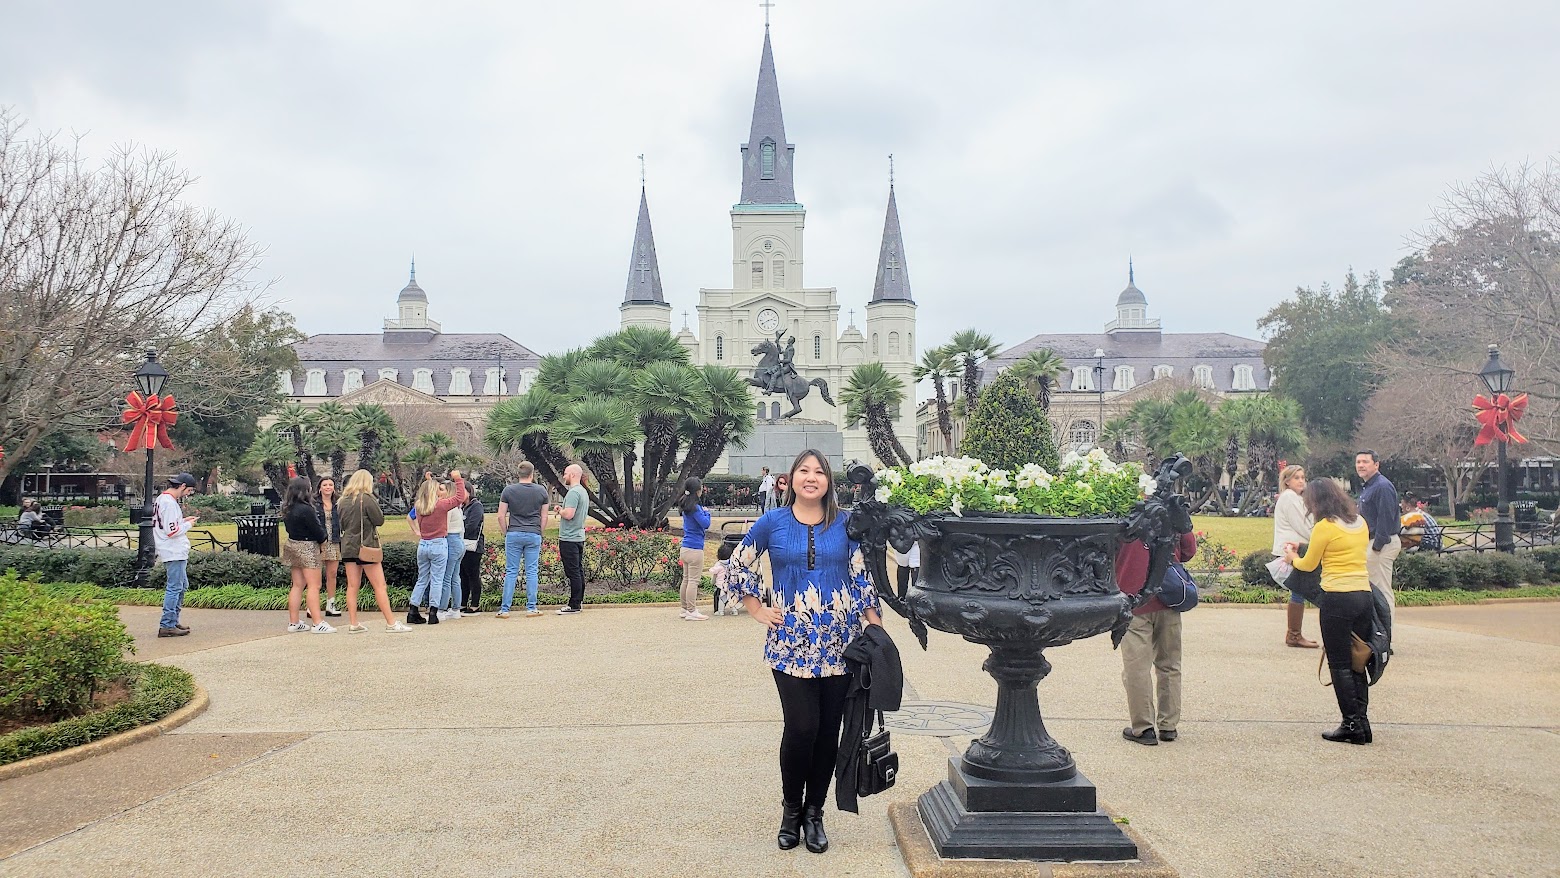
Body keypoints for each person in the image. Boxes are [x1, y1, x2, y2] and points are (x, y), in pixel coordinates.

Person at [728, 449, 884, 855]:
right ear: (791, 478)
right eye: (804, 470)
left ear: (828, 481)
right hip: (790, 644)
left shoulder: (846, 525)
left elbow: (861, 576)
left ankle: (815, 813)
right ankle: (791, 810)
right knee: (801, 728)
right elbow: (738, 563)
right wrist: (757, 609)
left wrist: (876, 628)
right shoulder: (772, 522)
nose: (811, 477)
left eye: (819, 472)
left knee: (827, 731)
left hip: (840, 644)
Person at [1284, 477, 1376, 745]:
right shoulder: (1359, 522)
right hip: (1363, 595)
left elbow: (1309, 564)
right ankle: (1362, 721)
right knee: (1358, 661)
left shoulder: (1324, 527)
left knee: (1340, 664)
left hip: (1337, 598)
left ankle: (1351, 725)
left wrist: (1292, 557)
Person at [1115, 531, 1197, 745]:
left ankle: (1143, 727)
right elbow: (1189, 550)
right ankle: (1168, 725)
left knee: (1136, 668)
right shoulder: (1171, 507)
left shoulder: (1126, 510)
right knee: (1169, 664)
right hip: (1168, 596)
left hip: (1133, 599)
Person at [338, 469, 410, 633]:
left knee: (352, 586)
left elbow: (341, 524)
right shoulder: (366, 498)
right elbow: (379, 520)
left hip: (348, 546)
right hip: (366, 545)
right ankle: (391, 622)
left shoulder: (342, 500)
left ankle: (353, 623)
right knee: (379, 586)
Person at [407, 470, 467, 625]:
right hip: (438, 544)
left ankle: (413, 609)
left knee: (422, 579)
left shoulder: (420, 506)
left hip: (424, 543)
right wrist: (458, 479)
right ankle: (434, 612)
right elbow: (460, 497)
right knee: (437, 579)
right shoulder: (441, 505)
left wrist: (429, 480)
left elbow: (412, 514)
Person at [1272, 465, 1319, 648]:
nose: (1301, 481)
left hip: (1293, 548)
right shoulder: (1290, 498)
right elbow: (1303, 526)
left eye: (1303, 477)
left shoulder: (1292, 498)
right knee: (1299, 591)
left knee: (1298, 592)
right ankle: (1294, 634)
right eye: (1297, 478)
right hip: (1294, 549)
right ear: (1287, 481)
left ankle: (1294, 634)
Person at [281, 476, 334, 634]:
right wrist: (323, 537)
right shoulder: (307, 509)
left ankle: (294, 622)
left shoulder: (288, 508)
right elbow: (317, 531)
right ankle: (317, 622)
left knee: (297, 585)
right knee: (314, 585)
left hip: (292, 544)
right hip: (308, 546)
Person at [497, 462, 548, 618]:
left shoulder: (508, 491)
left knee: (511, 571)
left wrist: (507, 532)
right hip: (533, 533)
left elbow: (500, 516)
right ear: (532, 474)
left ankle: (505, 609)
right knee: (532, 571)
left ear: (518, 474)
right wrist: (539, 531)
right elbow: (544, 516)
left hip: (514, 532)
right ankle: (531, 607)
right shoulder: (541, 491)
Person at [152, 474, 200, 638]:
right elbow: (172, 531)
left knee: (181, 585)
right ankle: (167, 624)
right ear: (182, 486)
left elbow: (168, 524)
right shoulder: (170, 503)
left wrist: (183, 520)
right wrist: (188, 524)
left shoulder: (161, 499)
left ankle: (172, 620)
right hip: (173, 550)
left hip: (170, 550)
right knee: (175, 587)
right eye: (189, 490)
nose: (188, 493)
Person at [1355, 451, 1400, 615]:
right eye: (1358, 462)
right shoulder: (1369, 486)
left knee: (1381, 592)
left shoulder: (1382, 486)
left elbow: (1386, 518)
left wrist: (1377, 547)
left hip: (1381, 544)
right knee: (1373, 590)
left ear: (1376, 464)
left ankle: (1385, 635)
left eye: (1365, 462)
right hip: (1372, 543)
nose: (1361, 465)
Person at [554, 464, 590, 615]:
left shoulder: (574, 493)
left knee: (573, 571)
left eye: (566, 473)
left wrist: (560, 510)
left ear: (573, 475)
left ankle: (574, 604)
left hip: (569, 538)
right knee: (578, 570)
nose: (564, 476)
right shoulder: (583, 492)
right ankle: (578, 601)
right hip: (578, 537)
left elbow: (569, 514)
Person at [677, 477, 712, 621]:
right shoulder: (696, 508)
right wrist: (707, 512)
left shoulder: (685, 505)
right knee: (693, 581)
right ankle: (692, 611)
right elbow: (705, 524)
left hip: (685, 547)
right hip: (695, 548)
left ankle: (684, 608)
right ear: (698, 491)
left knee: (685, 579)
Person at [317, 476, 343, 617]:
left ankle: (330, 604)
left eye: (330, 484)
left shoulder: (338, 503)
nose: (328, 487)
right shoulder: (314, 503)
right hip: (318, 541)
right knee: (315, 575)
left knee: (332, 574)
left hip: (334, 541)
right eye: (325, 484)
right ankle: (312, 606)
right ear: (320, 487)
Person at [440, 481, 465, 619]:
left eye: (442, 490)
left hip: (451, 540)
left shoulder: (448, 508)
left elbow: (444, 526)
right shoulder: (458, 508)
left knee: (446, 577)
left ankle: (442, 609)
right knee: (455, 577)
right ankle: (456, 608)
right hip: (458, 541)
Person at [459, 488, 486, 614]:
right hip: (462, 544)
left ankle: (475, 603)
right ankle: (463, 603)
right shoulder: (462, 507)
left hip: (473, 545)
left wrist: (460, 532)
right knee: (462, 575)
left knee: (473, 575)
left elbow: (472, 525)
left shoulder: (476, 506)